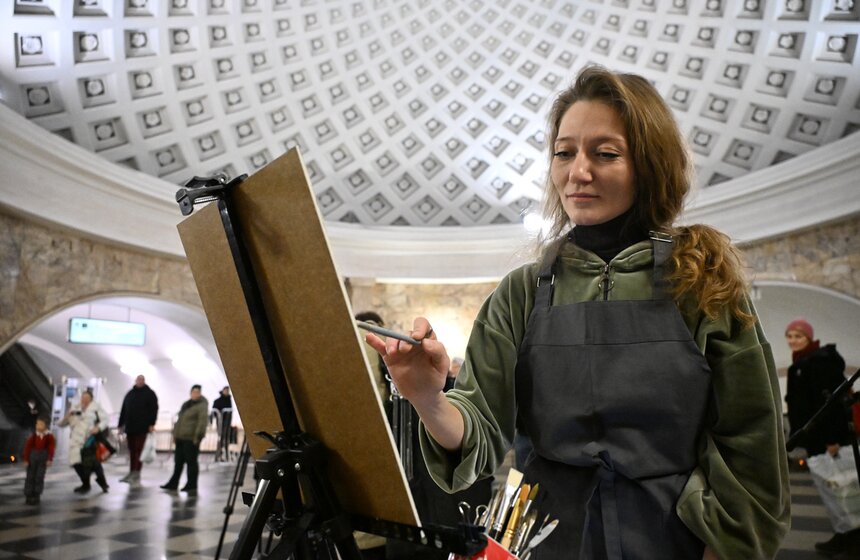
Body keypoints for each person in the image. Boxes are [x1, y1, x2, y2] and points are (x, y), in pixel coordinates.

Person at [367, 66, 790, 559]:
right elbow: (480, 434)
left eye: (605, 153)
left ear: (650, 164)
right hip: (546, 538)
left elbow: (751, 442)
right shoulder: (521, 292)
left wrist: (724, 548)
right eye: (564, 153)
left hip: (675, 539)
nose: (578, 172)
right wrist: (428, 398)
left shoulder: (701, 281)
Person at [784, 318, 854, 557]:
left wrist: (833, 439)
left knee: (843, 491)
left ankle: (852, 540)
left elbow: (831, 404)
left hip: (827, 441)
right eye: (790, 336)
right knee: (832, 492)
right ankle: (843, 535)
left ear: (809, 338)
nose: (793, 340)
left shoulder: (817, 363)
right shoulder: (802, 363)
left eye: (798, 336)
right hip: (815, 440)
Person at [57, 389, 110, 494]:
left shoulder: (96, 408)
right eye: (83, 397)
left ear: (91, 399)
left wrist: (98, 428)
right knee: (76, 463)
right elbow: (62, 424)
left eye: (87, 398)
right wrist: (67, 417)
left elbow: (105, 419)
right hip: (76, 441)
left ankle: (103, 484)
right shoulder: (75, 408)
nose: (84, 400)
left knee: (94, 463)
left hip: (90, 439)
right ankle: (85, 483)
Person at [161, 384, 209, 495]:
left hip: (191, 439)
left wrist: (198, 437)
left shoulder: (202, 406)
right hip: (180, 438)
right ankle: (173, 482)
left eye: (197, 392)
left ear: (200, 393)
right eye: (193, 392)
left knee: (191, 462)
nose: (195, 394)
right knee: (178, 462)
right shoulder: (186, 404)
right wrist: (175, 435)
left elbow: (202, 423)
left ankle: (191, 484)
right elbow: (179, 421)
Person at [117, 374, 159, 484]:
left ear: (144, 381)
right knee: (132, 450)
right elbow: (124, 410)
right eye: (138, 380)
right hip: (130, 427)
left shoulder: (150, 394)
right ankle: (131, 471)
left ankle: (136, 472)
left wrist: (151, 424)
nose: (139, 381)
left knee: (139, 450)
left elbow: (154, 409)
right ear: (135, 381)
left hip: (142, 428)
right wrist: (120, 425)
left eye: (141, 380)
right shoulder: (130, 394)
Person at [23, 417, 55, 505]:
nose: (38, 426)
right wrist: (26, 459)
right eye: (37, 424)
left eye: (40, 424)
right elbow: (27, 448)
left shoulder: (49, 436)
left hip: (43, 458)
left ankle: (37, 494)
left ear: (46, 426)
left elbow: (51, 448)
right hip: (32, 457)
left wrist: (50, 459)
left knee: (39, 476)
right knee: (30, 476)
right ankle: (28, 494)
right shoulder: (33, 436)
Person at [211, 386, 232, 462]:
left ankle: (225, 455)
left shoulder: (229, 399)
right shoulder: (218, 401)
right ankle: (219, 454)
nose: (227, 392)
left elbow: (230, 411)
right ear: (223, 391)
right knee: (220, 438)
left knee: (226, 438)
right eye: (225, 390)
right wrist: (219, 416)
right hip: (220, 423)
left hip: (228, 422)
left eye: (228, 391)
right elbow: (214, 411)